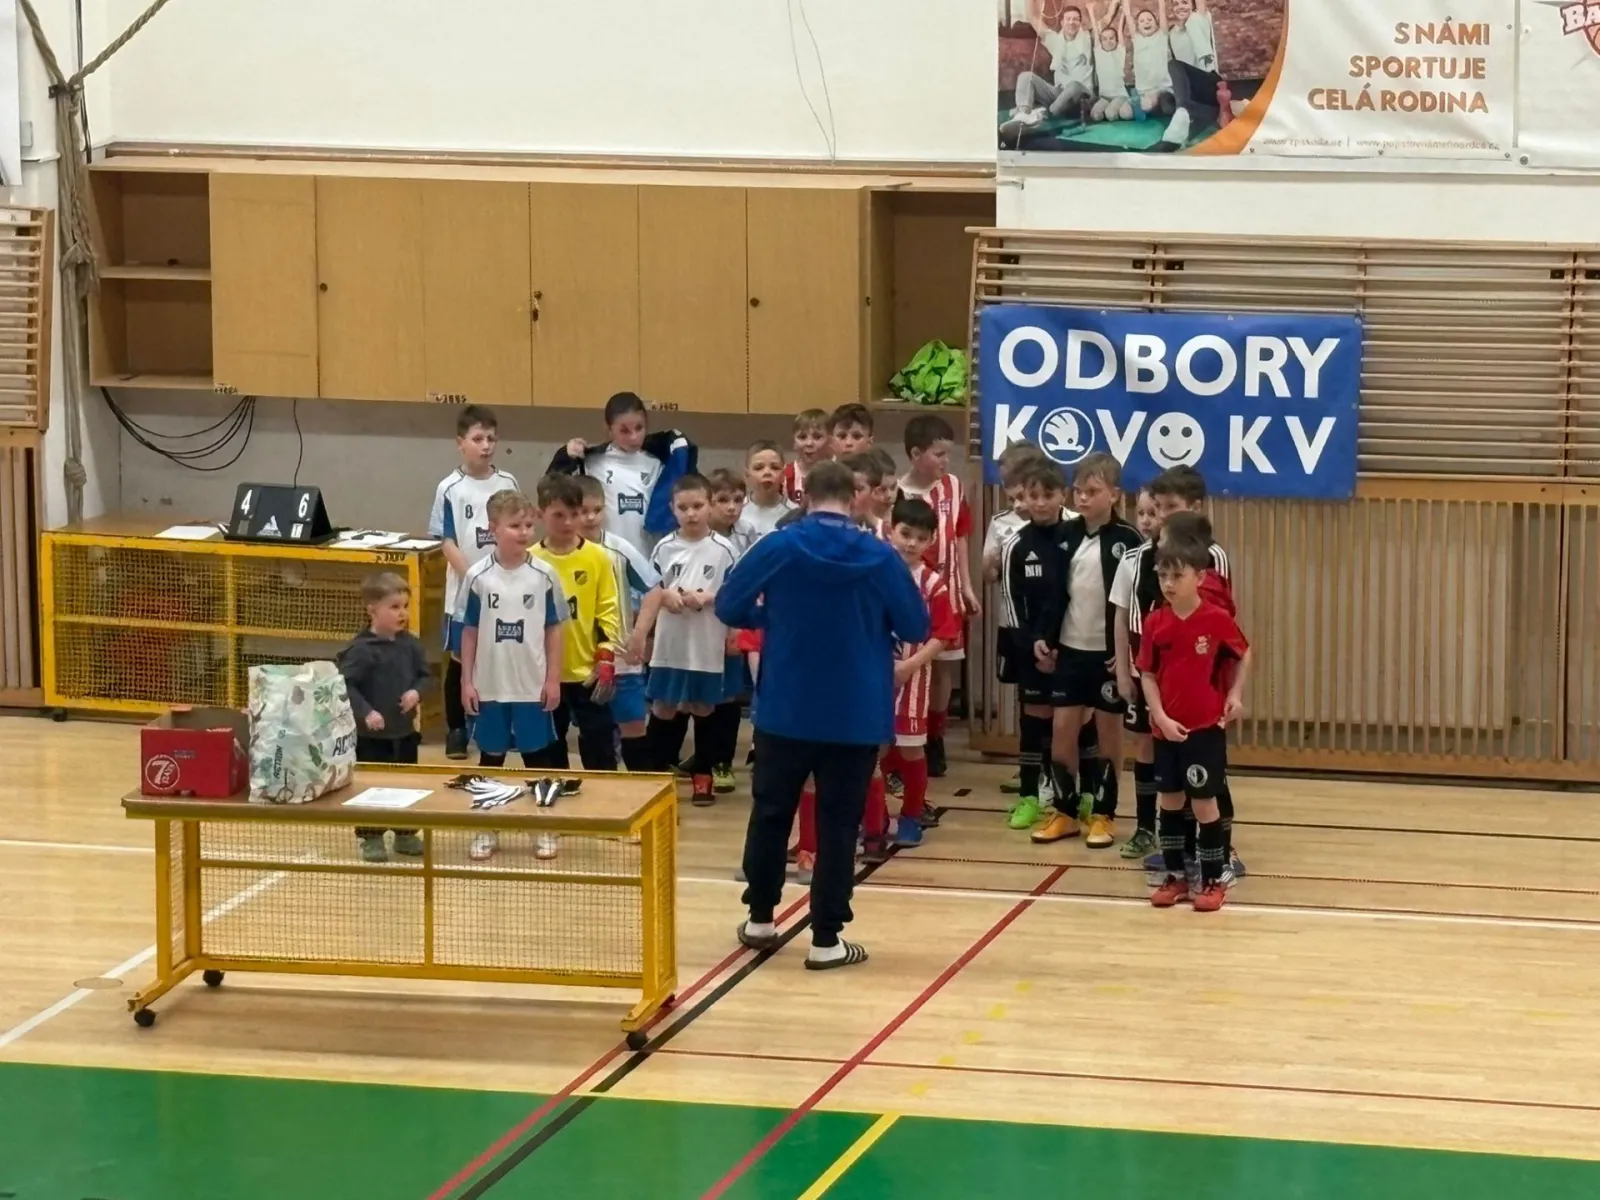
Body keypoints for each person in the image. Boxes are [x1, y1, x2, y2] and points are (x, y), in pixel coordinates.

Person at [718, 461, 929, 970]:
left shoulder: (778, 545)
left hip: (785, 706)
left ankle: (761, 919)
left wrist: (769, 615)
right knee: (838, 823)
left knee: (771, 813)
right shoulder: (879, 555)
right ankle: (826, 939)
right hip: (854, 711)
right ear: (854, 499)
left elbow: (728, 604)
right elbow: (915, 625)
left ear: (803, 496)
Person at [1126, 467, 1241, 883]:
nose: (1160, 516)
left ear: (1193, 508)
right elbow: (1140, 612)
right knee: (1173, 777)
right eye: (1157, 507)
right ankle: (1185, 852)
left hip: (1203, 685)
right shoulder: (1152, 556)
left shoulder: (1211, 557)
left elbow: (1223, 630)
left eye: (1169, 507)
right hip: (1163, 675)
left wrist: (1227, 690)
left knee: (1208, 776)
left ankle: (1222, 851)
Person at [1138, 534, 1251, 912]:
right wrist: (1160, 716)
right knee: (1170, 802)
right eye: (1162, 576)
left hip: (1203, 730)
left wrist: (1235, 695)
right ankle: (1176, 877)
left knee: (1204, 804)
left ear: (1200, 577)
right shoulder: (1155, 622)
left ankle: (1214, 879)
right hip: (1166, 731)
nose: (1168, 584)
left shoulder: (1216, 619)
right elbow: (1147, 674)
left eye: (1177, 576)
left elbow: (1243, 653)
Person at [1034, 453, 1140, 849]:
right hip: (1070, 650)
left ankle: (1103, 813)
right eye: (1077, 490)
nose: (1082, 498)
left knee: (1109, 731)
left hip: (1108, 656)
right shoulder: (1065, 534)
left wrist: (1126, 653)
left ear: (1114, 494)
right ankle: (1064, 812)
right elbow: (1053, 592)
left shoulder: (1129, 540)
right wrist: (1044, 637)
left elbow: (1135, 604)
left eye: (1092, 491)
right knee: (1063, 727)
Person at [458, 489, 566, 861]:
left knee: (539, 760)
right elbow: (469, 631)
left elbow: (554, 629)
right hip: (490, 686)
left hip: (531, 686)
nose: (524, 532)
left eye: (528, 525)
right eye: (514, 526)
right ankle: (486, 830)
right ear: (493, 528)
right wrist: (466, 681)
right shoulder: (477, 576)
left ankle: (544, 828)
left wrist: (553, 679)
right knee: (491, 759)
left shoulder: (545, 575)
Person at [629, 476, 740, 806]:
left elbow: (736, 593)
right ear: (672, 509)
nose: (691, 513)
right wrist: (665, 597)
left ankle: (703, 777)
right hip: (670, 644)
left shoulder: (724, 549)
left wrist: (708, 597)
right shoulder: (664, 547)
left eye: (698, 506)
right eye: (683, 507)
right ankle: (656, 776)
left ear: (710, 505)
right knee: (664, 707)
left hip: (706, 643)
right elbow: (650, 590)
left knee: (704, 707)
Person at [429, 405, 518, 760]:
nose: (486, 446)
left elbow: (517, 530)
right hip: (465, 591)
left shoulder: (507, 483)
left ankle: (500, 725)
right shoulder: (449, 488)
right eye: (478, 439)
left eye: (491, 439)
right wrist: (474, 578)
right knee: (460, 658)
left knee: (501, 654)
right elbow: (447, 540)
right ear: (460, 442)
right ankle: (457, 729)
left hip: (504, 589)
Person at [897, 414, 978, 779]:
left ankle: (935, 737)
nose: (946, 461)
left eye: (948, 454)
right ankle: (902, 738)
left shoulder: (953, 487)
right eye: (939, 454)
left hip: (946, 590)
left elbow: (960, 537)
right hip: (908, 594)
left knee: (944, 665)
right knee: (908, 663)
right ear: (916, 454)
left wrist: (966, 585)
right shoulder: (898, 493)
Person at [529, 473, 623, 772]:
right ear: (540, 514)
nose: (568, 522)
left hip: (588, 672)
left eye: (575, 513)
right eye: (559, 515)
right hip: (546, 674)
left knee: (600, 746)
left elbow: (608, 610)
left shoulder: (598, 557)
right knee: (549, 750)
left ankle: (603, 795)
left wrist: (606, 655)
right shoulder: (530, 561)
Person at [882, 496, 962, 848]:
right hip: (874, 676)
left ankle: (911, 816)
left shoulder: (932, 583)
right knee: (874, 751)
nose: (911, 543)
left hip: (913, 678)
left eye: (920, 537)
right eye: (906, 534)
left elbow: (944, 634)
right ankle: (874, 818)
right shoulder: (874, 573)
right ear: (890, 530)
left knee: (912, 751)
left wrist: (910, 665)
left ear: (932, 540)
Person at [337, 572, 430, 863]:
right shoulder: (361, 650)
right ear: (372, 610)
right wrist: (367, 712)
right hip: (371, 738)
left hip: (404, 733)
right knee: (371, 788)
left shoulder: (411, 645)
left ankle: (405, 832)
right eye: (394, 607)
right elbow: (345, 685)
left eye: (405, 606)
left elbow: (426, 676)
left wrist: (416, 692)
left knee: (405, 785)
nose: (402, 613)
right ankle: (372, 835)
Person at [548, 391, 698, 558]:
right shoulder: (592, 463)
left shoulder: (658, 465)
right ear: (609, 430)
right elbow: (550, 489)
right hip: (603, 559)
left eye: (639, 428)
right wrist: (564, 456)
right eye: (624, 431)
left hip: (645, 558)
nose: (634, 437)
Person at [576, 475, 660, 772]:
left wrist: (639, 634)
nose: (590, 517)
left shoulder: (619, 549)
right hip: (580, 661)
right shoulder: (558, 554)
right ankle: (600, 792)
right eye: (582, 511)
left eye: (597, 510)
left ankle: (643, 791)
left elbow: (654, 589)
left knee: (633, 725)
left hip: (621, 658)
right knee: (592, 732)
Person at [1111, 484, 1162, 859]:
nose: (1145, 520)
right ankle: (1146, 826)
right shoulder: (1131, 560)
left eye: (1153, 512)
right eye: (1140, 513)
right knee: (1143, 745)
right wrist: (1122, 673)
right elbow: (1120, 616)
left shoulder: (1198, 558)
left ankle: (1189, 832)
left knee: (1180, 750)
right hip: (1142, 671)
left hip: (1180, 676)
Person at [1008, 0, 1095, 130]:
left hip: (1082, 95)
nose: (1072, 22)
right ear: (1062, 23)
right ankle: (1024, 114)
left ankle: (1044, 113)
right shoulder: (1054, 40)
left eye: (1076, 19)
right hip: (1059, 92)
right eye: (1068, 19)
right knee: (1026, 77)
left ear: (1080, 23)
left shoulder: (1088, 38)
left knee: (1073, 86)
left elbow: (1105, 26)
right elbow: (1033, 18)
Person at [742, 440, 797, 543]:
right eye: (759, 468)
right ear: (746, 475)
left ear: (783, 475)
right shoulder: (736, 512)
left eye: (775, 467)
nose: (767, 472)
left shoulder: (795, 515)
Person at [1089, 0, 1134, 122]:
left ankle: (1127, 105)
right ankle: (1111, 109)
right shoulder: (1098, 52)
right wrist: (1091, 11)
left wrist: (1123, 13)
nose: (1108, 41)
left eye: (1111, 38)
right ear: (1101, 41)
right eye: (1104, 39)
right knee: (1095, 115)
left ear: (1116, 40)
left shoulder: (1119, 51)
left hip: (1119, 95)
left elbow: (1119, 31)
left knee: (1111, 115)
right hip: (1104, 96)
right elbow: (1096, 30)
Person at [782, 409, 832, 506]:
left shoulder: (838, 475)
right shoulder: (785, 476)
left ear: (830, 440)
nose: (809, 443)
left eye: (817, 437)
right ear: (794, 441)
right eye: (802, 437)